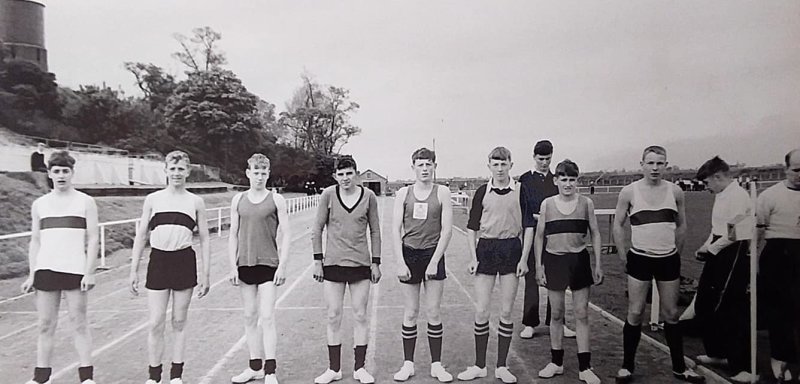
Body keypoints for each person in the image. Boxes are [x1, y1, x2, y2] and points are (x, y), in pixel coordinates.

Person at [612, 145, 705, 384]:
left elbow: (682, 224)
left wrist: (676, 252)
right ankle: (627, 366)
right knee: (635, 312)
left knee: (671, 313)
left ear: (666, 165)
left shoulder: (675, 192)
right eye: (650, 163)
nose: (655, 168)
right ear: (641, 164)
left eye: (660, 163)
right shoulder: (629, 192)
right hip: (640, 258)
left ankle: (679, 367)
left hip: (667, 259)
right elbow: (618, 224)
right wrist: (624, 255)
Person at [129, 150, 211, 384]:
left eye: (181, 169)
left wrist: (206, 274)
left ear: (188, 171)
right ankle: (154, 377)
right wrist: (133, 270)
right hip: (159, 261)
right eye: (172, 169)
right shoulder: (153, 199)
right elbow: (141, 235)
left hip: (184, 260)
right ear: (165, 171)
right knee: (155, 322)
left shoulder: (196, 201)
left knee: (178, 320)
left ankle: (176, 375)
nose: (176, 173)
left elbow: (205, 238)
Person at [457, 147, 535, 384]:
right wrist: (473, 257)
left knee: (506, 311)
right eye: (495, 164)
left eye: (504, 164)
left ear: (511, 164)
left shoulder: (521, 190)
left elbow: (529, 227)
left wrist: (523, 258)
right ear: (488, 165)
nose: (500, 169)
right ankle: (480, 365)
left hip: (511, 249)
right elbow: (472, 227)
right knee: (481, 310)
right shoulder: (482, 191)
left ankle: (502, 366)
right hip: (487, 250)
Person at [21, 150, 99, 384]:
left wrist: (90, 271)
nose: (61, 175)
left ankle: (86, 378)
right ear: (50, 174)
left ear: (72, 173)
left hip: (75, 269)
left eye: (66, 171)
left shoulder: (86, 202)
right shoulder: (40, 204)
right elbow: (35, 240)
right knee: (45, 325)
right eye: (57, 171)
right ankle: (40, 378)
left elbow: (93, 238)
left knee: (79, 323)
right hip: (46, 269)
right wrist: (32, 273)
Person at [312, 156, 382, 384]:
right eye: (341, 174)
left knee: (360, 315)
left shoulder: (369, 197)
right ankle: (334, 369)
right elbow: (317, 229)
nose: (345, 178)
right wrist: (317, 261)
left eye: (349, 173)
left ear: (356, 173)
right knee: (333, 315)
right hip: (333, 264)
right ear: (335, 176)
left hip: (360, 264)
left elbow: (375, 231)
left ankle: (359, 368)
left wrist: (376, 262)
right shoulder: (328, 195)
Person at [535, 159, 604, 384]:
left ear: (577, 181)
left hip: (579, 261)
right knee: (556, 314)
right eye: (563, 179)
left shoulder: (586, 203)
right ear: (555, 180)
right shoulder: (547, 204)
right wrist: (539, 265)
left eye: (572, 180)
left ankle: (585, 367)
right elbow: (539, 236)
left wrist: (598, 264)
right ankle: (556, 363)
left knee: (582, 314)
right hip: (554, 261)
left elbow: (595, 233)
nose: (567, 184)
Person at [391, 148, 454, 382]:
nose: (425, 169)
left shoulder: (443, 192)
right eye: (420, 165)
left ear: (434, 166)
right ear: (413, 167)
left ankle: (436, 365)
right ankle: (408, 364)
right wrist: (399, 261)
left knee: (434, 311)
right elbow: (395, 229)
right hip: (410, 254)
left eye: (428, 164)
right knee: (411, 311)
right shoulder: (403, 194)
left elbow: (447, 230)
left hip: (433, 253)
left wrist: (435, 261)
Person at [227, 154, 291, 384]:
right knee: (249, 316)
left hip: (268, 265)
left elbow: (287, 233)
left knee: (267, 317)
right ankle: (255, 367)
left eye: (264, 172)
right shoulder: (238, 200)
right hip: (245, 263)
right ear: (248, 173)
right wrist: (232, 265)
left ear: (268, 173)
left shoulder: (276, 200)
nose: (260, 176)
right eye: (256, 172)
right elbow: (232, 234)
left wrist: (283, 265)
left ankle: (270, 370)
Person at [691, 156, 755, 383]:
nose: (706, 187)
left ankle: (744, 367)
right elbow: (717, 228)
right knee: (705, 303)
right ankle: (718, 353)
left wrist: (714, 249)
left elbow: (737, 231)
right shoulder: (721, 195)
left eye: (707, 182)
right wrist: (706, 246)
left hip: (734, 253)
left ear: (718, 177)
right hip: (720, 249)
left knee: (730, 307)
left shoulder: (738, 196)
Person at [518, 140, 576, 339]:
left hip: (554, 234)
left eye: (548, 159)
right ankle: (529, 323)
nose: (544, 162)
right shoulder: (525, 180)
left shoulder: (556, 179)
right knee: (532, 278)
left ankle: (558, 322)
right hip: (532, 234)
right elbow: (522, 209)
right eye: (541, 159)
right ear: (534, 157)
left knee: (557, 280)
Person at [757, 148, 800, 383]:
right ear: (786, 170)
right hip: (778, 256)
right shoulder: (769, 196)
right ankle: (780, 358)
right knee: (780, 310)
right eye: (796, 170)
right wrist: (752, 264)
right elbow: (758, 233)